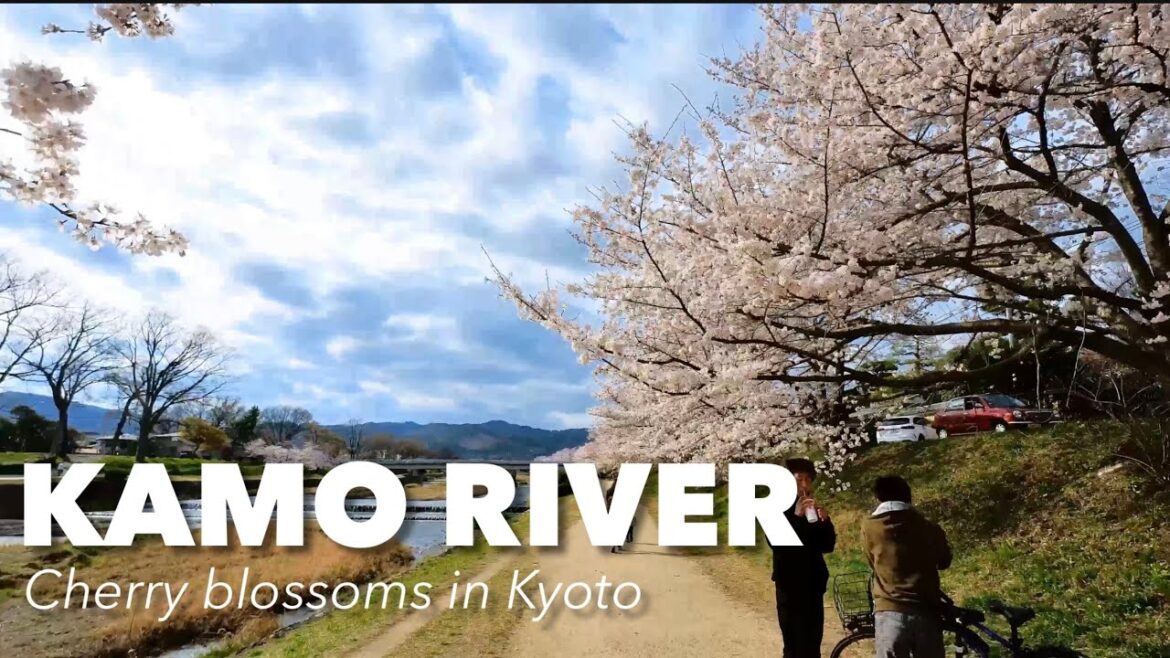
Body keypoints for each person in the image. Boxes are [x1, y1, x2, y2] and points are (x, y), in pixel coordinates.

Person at [862, 475, 953, 658]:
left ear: (878, 497)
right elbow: (944, 561)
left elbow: (872, 562)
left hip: (889, 609)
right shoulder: (927, 526)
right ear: (907, 495)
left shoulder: (869, 527)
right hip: (926, 610)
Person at [772, 457, 836, 658]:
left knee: (813, 643)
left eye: (808, 479)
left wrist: (825, 523)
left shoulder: (812, 508)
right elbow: (778, 544)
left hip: (813, 584)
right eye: (799, 479)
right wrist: (797, 517)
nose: (804, 484)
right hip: (789, 586)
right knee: (793, 644)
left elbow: (826, 546)